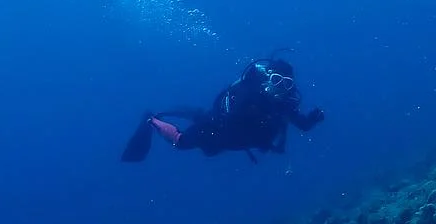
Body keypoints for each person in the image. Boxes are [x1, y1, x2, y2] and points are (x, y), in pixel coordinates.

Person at [121, 58, 324, 163]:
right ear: (268, 79)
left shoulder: (285, 103)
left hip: (238, 141)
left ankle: (194, 113)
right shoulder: (250, 91)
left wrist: (313, 119)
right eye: (276, 80)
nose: (280, 87)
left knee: (207, 137)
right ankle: (152, 119)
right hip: (217, 130)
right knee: (181, 142)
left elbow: (303, 125)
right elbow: (235, 115)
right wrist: (260, 108)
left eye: (286, 83)